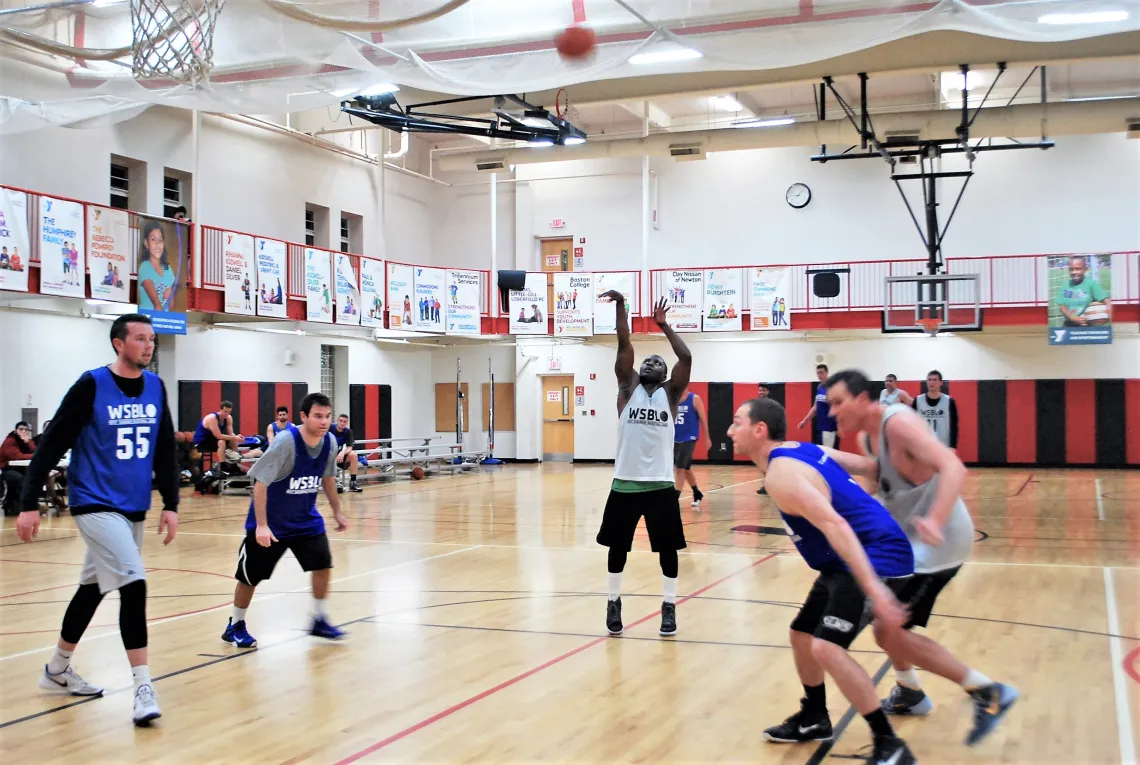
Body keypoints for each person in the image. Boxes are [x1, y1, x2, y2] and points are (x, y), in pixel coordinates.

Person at [825, 369, 1019, 745]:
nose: (832, 412)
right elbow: (880, 482)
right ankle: (910, 691)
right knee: (889, 621)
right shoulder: (869, 436)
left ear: (863, 400)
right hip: (910, 541)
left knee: (886, 628)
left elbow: (952, 466)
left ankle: (986, 691)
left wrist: (934, 520)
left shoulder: (898, 424)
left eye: (838, 402)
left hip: (938, 541)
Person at [727, 396, 917, 765]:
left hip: (875, 556)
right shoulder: (801, 448)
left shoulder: (781, 475)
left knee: (827, 648)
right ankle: (815, 716)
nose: (730, 430)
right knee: (802, 635)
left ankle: (889, 743)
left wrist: (875, 588)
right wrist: (870, 500)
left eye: (737, 422)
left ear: (759, 430)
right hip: (846, 558)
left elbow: (835, 524)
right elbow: (871, 467)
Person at [15, 313, 178, 726]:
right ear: (118, 343)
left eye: (152, 339)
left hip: (134, 506)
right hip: (94, 502)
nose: (149, 345)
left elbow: (165, 452)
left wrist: (172, 503)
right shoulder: (91, 385)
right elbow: (51, 444)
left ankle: (56, 670)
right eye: (141, 339)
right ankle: (143, 686)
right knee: (134, 583)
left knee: (91, 589)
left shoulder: (157, 387)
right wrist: (29, 501)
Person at [596, 293, 691, 638]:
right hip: (624, 483)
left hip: (661, 485)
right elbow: (624, 341)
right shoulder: (627, 387)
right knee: (617, 548)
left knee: (668, 550)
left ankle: (668, 607)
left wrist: (664, 326)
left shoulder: (671, 394)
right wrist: (621, 306)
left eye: (656, 361)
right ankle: (613, 601)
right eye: (646, 360)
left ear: (666, 375)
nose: (650, 362)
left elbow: (686, 356)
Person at [222, 392, 349, 649]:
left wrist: (337, 510)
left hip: (306, 521)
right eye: (317, 416)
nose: (324, 422)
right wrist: (261, 525)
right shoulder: (286, 442)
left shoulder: (330, 442)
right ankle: (235, 625)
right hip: (272, 523)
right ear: (303, 417)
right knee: (249, 577)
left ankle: (319, 619)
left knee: (323, 564)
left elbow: (328, 479)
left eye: (327, 417)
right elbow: (260, 483)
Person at [1, 421, 65, 514]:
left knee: (40, 476)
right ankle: (34, 506)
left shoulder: (27, 440)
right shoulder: (9, 441)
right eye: (21, 429)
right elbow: (17, 456)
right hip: (8, 469)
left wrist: (28, 443)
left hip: (22, 468)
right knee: (20, 479)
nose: (23, 431)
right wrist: (34, 455)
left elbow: (35, 451)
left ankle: (52, 500)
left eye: (26, 430)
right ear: (15, 431)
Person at [673, 387, 711, 509]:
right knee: (686, 468)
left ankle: (674, 499)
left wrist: (707, 437)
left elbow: (703, 420)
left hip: (689, 437)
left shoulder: (694, 398)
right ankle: (697, 493)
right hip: (675, 437)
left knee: (680, 469)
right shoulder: (673, 399)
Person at [1055, 255, 1111, 327]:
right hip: (1068, 325)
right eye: (1071, 269)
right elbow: (1061, 305)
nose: (1074, 272)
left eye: (1078, 269)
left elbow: (1107, 301)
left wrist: (1107, 317)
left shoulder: (1091, 284)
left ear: (1085, 269)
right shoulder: (1066, 285)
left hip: (1087, 327)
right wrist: (1072, 317)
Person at [193, 401, 243, 474]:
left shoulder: (228, 418)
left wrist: (237, 437)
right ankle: (223, 466)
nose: (226, 414)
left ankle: (234, 465)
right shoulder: (212, 418)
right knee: (222, 442)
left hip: (214, 439)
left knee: (233, 441)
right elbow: (218, 435)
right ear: (220, 410)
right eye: (225, 411)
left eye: (229, 412)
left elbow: (230, 433)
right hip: (202, 441)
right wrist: (234, 437)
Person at [913, 370, 958, 449]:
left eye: (934, 380)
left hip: (943, 445)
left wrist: (953, 446)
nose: (931, 382)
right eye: (929, 380)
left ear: (941, 383)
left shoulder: (949, 401)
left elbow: (954, 426)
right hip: (922, 445)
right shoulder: (917, 400)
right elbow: (912, 424)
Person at [137, 221, 175, 312]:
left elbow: (171, 304)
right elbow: (156, 304)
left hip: (163, 319)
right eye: (153, 239)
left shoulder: (168, 269)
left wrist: (170, 297)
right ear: (146, 243)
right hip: (147, 318)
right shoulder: (144, 267)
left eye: (160, 239)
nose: (157, 244)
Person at [798, 363, 838, 448]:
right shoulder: (819, 387)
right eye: (818, 373)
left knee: (829, 455)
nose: (819, 375)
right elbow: (815, 407)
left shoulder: (833, 388)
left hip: (830, 428)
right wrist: (804, 421)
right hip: (820, 427)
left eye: (821, 372)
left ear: (827, 373)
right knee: (820, 453)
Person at [331, 414, 362, 493]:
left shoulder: (348, 432)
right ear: (337, 421)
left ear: (347, 423)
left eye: (344, 422)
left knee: (353, 455)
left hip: (340, 457)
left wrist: (342, 452)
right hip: (328, 456)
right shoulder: (330, 428)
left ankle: (353, 484)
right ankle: (334, 482)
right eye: (340, 421)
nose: (342, 423)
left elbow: (349, 448)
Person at [756, 383, 770, 496]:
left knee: (769, 461)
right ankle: (766, 485)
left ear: (767, 392)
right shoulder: (756, 405)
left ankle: (769, 485)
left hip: (769, 437)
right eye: (760, 390)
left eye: (763, 390)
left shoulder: (771, 406)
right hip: (760, 437)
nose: (761, 392)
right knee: (762, 462)